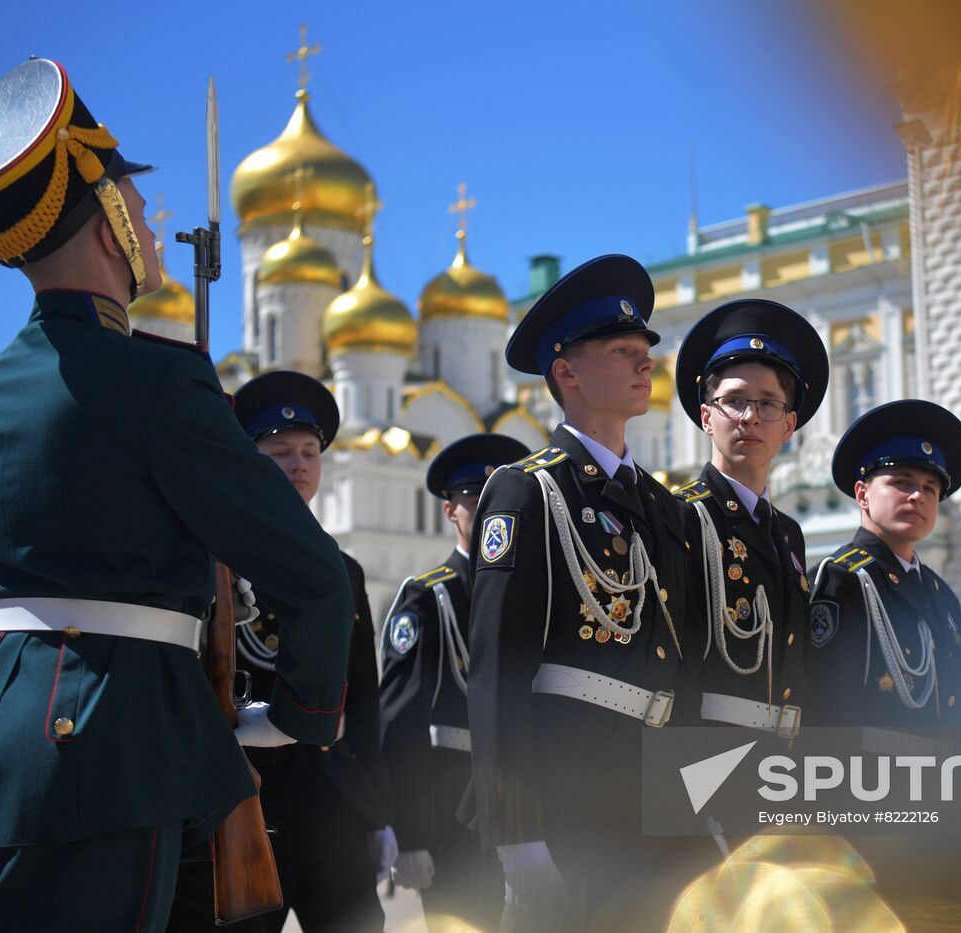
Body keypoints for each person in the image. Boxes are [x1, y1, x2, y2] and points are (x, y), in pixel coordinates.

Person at [0, 59, 353, 931]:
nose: (146, 219)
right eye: (135, 202)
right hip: (110, 756)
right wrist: (294, 715)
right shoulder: (160, 384)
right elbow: (312, 572)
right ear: (108, 220)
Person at [467, 255, 707, 931]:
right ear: (566, 372)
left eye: (646, 351)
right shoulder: (527, 490)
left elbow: (680, 668)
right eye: (623, 351)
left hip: (656, 798)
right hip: (568, 797)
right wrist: (517, 835)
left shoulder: (665, 507)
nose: (644, 363)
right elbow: (497, 669)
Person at [167, 371, 394, 932]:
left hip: (331, 807)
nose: (298, 464)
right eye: (279, 451)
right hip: (234, 805)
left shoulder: (343, 572)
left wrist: (376, 811)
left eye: (310, 452)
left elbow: (363, 697)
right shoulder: (208, 559)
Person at [379, 432, 528, 931]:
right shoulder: (429, 597)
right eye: (472, 499)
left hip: (527, 796)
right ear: (451, 511)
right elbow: (400, 723)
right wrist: (412, 834)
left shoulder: (534, 592)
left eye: (496, 501)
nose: (485, 512)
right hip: (453, 805)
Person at [672, 299, 828, 741]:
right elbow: (668, 666)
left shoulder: (788, 534)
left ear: (789, 424)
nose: (750, 417)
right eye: (734, 401)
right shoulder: (682, 515)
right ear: (707, 417)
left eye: (768, 404)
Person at [806, 399, 961, 727]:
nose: (918, 496)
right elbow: (825, 707)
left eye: (930, 488)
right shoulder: (841, 581)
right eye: (902, 483)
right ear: (862, 494)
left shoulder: (942, 596)